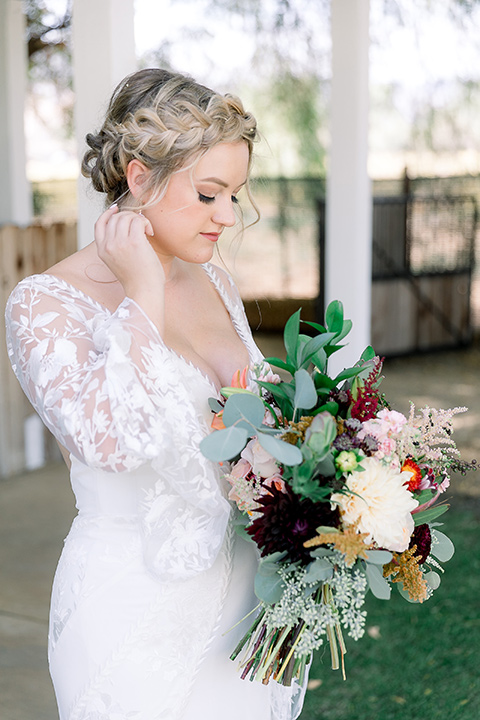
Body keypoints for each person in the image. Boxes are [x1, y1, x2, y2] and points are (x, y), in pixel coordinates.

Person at [5, 69, 306, 719]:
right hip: (134, 617)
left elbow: (258, 424)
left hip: (248, 603)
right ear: (138, 177)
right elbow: (112, 444)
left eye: (234, 195)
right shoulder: (46, 306)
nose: (226, 217)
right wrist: (140, 291)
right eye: (207, 194)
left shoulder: (214, 283)